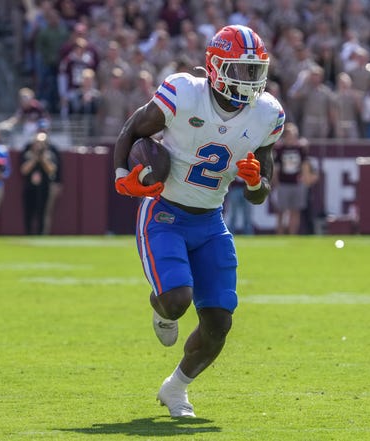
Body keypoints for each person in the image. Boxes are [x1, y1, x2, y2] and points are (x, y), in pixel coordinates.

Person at [112, 25, 285, 418]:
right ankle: (161, 307)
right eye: (240, 70)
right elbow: (132, 129)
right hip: (166, 213)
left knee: (219, 322)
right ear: (215, 66)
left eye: (254, 70)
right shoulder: (185, 93)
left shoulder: (267, 115)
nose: (249, 80)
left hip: (210, 220)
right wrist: (121, 175)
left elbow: (261, 191)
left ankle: (176, 389)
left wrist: (256, 181)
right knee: (176, 302)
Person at [273, 122, 316, 235]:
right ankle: (280, 234)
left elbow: (305, 165)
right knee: (281, 212)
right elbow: (276, 167)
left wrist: (305, 178)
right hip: (283, 183)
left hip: (296, 183)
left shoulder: (300, 149)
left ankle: (292, 235)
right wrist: (275, 182)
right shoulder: (280, 149)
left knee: (295, 211)